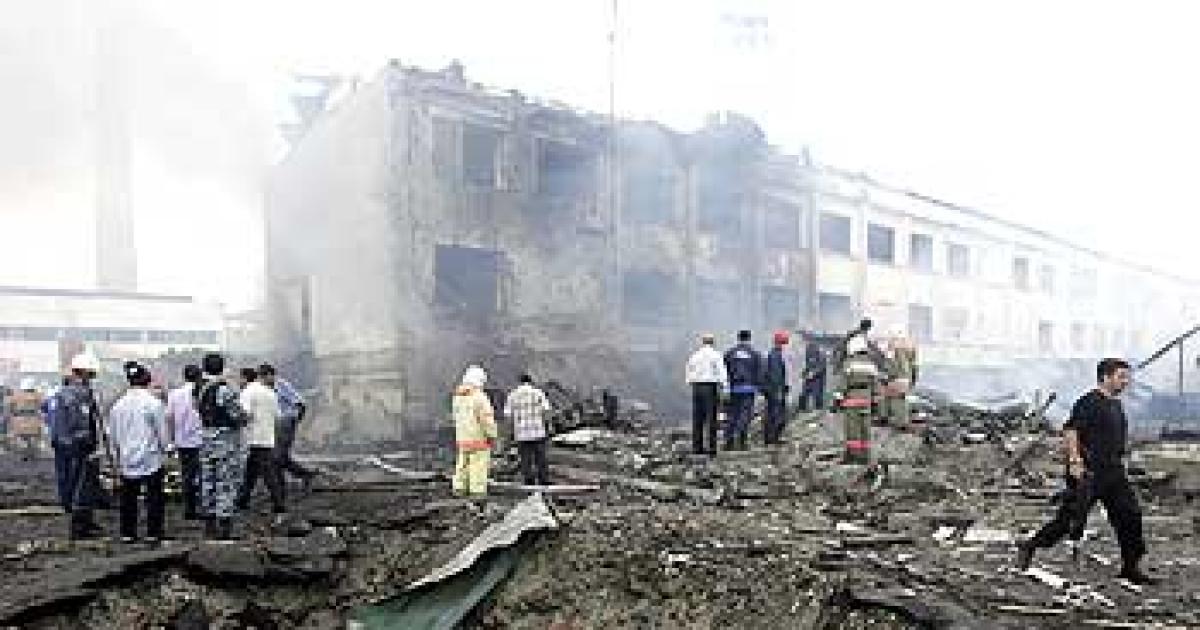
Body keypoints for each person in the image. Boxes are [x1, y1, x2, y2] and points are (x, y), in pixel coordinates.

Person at [1016, 358, 1157, 585]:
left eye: (1126, 377)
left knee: (1129, 516)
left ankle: (1131, 567)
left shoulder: (1116, 404)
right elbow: (1071, 430)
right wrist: (1075, 460)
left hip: (1114, 472)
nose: (1126, 382)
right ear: (1105, 377)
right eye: (1121, 377)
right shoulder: (1089, 401)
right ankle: (1030, 545)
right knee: (1069, 521)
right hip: (1089, 472)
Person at [107, 362, 170, 544]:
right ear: (147, 380)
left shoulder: (118, 406)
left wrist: (116, 455)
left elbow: (113, 435)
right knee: (154, 497)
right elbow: (162, 432)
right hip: (151, 457)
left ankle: (128, 532)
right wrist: (166, 449)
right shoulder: (153, 404)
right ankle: (153, 532)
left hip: (127, 457)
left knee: (128, 497)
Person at [195, 353, 248, 540]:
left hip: (206, 439)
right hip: (225, 441)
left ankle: (209, 526)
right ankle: (224, 527)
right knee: (226, 482)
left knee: (207, 481)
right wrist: (245, 417)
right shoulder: (224, 390)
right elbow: (238, 415)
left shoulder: (199, 388)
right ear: (222, 368)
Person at [52, 353, 105, 540]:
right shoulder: (80, 395)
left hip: (62, 445)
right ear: (84, 374)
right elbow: (81, 423)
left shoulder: (61, 393)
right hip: (78, 446)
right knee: (83, 486)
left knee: (68, 482)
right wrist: (90, 445)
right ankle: (80, 525)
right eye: (91, 376)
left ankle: (79, 517)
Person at [259, 364, 316, 490]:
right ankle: (304, 475)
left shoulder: (282, 385)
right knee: (280, 457)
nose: (262, 380)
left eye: (264, 377)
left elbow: (300, 403)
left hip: (285, 422)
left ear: (271, 375)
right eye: (261, 377)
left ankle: (280, 487)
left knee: (277, 456)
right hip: (274, 424)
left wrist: (294, 421)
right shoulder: (264, 389)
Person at [237, 367, 285, 516]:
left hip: (253, 437)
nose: (239, 381)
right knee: (251, 472)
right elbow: (278, 416)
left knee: (267, 473)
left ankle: (279, 504)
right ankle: (243, 500)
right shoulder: (271, 393)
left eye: (240, 378)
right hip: (266, 438)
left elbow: (244, 414)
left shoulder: (248, 392)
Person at [839, 319, 882, 465]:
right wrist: (876, 401)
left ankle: (853, 456)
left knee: (853, 430)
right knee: (865, 429)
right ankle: (866, 456)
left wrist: (837, 399)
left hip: (852, 399)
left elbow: (843, 383)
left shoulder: (849, 363)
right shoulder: (871, 364)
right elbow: (876, 385)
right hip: (866, 400)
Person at [452, 365, 497, 497]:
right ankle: (477, 491)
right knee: (478, 466)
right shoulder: (480, 397)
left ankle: (459, 488)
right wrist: (492, 434)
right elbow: (486, 419)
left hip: (462, 437)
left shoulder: (458, 397)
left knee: (463, 464)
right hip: (478, 438)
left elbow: (455, 417)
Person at [165, 365, 203, 520]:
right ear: (199, 376)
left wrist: (172, 439)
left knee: (187, 475)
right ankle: (203, 506)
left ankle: (189, 509)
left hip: (182, 441)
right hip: (201, 440)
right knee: (202, 475)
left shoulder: (174, 394)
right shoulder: (203, 392)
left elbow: (169, 417)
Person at [504, 374, 552, 486]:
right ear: (530, 382)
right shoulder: (538, 393)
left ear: (520, 382)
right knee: (541, 459)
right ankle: (544, 482)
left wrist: (510, 433)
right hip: (538, 432)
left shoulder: (512, 395)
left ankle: (529, 483)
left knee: (526, 460)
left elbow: (508, 416)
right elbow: (546, 411)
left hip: (521, 434)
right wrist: (547, 426)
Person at [685, 333, 728, 456]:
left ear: (703, 342)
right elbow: (721, 372)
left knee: (697, 418)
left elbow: (688, 370)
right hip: (710, 387)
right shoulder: (715, 355)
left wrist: (690, 382)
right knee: (711, 418)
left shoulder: (695, 355)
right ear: (712, 342)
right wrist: (724, 386)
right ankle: (712, 449)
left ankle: (697, 447)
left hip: (696, 387)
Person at [723, 330, 763, 451]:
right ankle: (742, 440)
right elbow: (759, 372)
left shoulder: (730, 353)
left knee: (732, 414)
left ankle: (729, 442)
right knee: (745, 414)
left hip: (734, 389)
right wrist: (759, 388)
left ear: (738, 338)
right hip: (749, 389)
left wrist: (726, 386)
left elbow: (724, 370)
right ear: (749, 339)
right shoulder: (755, 354)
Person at [763, 331, 790, 446]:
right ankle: (772, 438)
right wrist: (779, 389)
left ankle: (771, 437)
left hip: (774, 389)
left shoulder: (774, 354)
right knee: (776, 414)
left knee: (773, 413)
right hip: (775, 390)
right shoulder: (775, 355)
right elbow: (776, 375)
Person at [799, 332, 828, 412]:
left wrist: (813, 373)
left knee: (818, 395)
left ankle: (818, 410)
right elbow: (808, 365)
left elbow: (822, 366)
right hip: (810, 378)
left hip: (818, 379)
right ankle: (802, 410)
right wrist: (804, 372)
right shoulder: (808, 351)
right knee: (803, 394)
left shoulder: (820, 352)